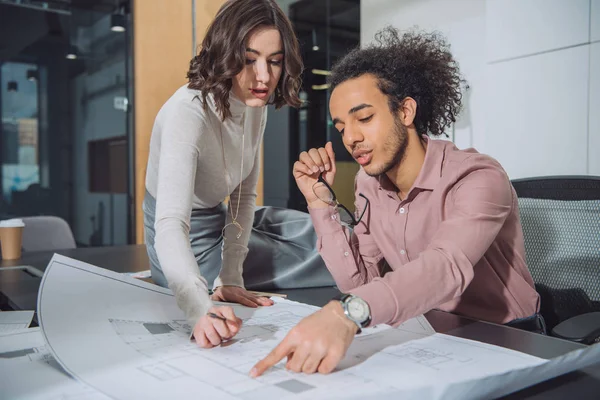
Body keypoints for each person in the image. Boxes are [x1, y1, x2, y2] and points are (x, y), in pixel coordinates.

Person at [250, 27, 542, 377]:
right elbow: (360, 284)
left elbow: (445, 267)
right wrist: (320, 205)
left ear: (405, 112)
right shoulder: (367, 185)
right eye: (341, 127)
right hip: (430, 333)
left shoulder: (478, 177)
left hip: (508, 338)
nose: (351, 138)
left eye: (365, 118)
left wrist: (346, 313)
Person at [143, 0, 333, 349]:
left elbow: (244, 196)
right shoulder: (189, 113)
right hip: (185, 240)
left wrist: (232, 274)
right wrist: (199, 307)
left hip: (222, 220)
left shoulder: (253, 103)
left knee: (316, 228)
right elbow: (170, 226)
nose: (264, 76)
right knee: (322, 255)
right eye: (249, 60)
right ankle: (397, 266)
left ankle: (398, 250)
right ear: (225, 54)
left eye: (275, 61)